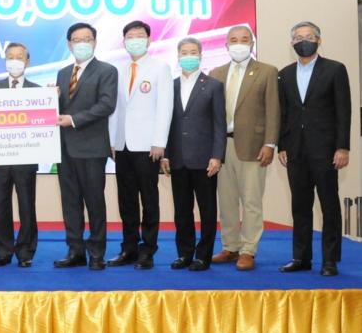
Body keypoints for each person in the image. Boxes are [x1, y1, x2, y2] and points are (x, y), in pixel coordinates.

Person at [277, 21, 351, 277]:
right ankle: (301, 258)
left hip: (326, 150)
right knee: (300, 206)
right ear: (291, 43)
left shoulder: (335, 69)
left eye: (309, 36)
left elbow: (344, 111)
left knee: (329, 206)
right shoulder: (285, 74)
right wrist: (282, 145)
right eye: (298, 37)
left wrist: (343, 147)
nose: (303, 41)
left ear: (319, 40)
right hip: (295, 151)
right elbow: (284, 113)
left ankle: (330, 260)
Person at [209, 25, 280, 271]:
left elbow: (273, 110)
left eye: (244, 39)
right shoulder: (216, 72)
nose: (238, 43)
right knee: (226, 200)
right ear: (226, 45)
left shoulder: (267, 71)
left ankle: (248, 249)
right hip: (222, 146)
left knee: (251, 201)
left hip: (253, 145)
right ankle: (230, 246)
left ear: (251, 43)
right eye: (234, 40)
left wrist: (270, 143)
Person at [108, 20, 173, 270]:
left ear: (148, 39)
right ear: (124, 41)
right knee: (126, 200)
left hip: (148, 146)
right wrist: (112, 140)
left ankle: (148, 250)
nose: (134, 40)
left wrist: (159, 142)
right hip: (122, 145)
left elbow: (165, 107)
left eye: (139, 35)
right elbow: (115, 110)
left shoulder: (160, 68)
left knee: (149, 199)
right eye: (130, 36)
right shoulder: (119, 70)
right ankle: (129, 248)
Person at [53, 23, 117, 270]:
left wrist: (73, 120)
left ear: (95, 42)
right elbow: (61, 108)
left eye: (87, 39)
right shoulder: (62, 73)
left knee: (94, 202)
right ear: (69, 44)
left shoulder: (107, 71)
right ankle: (75, 251)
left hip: (92, 148)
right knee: (70, 202)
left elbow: (106, 105)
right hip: (65, 149)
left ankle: (97, 253)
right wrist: (51, 100)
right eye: (77, 40)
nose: (82, 44)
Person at [162, 38, 225, 271]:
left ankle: (203, 256)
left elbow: (219, 124)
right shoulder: (170, 86)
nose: (188, 56)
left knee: (207, 211)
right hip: (177, 158)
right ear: (178, 56)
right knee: (182, 211)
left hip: (205, 159)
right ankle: (184, 254)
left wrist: (217, 156)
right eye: (184, 52)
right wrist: (165, 155)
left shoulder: (213, 85)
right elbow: (164, 123)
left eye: (193, 52)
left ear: (200, 55)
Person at [0, 43, 39, 268]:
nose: (15, 60)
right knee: (0, 206)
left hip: (26, 158)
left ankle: (25, 252)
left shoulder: (38, 91)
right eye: (11, 57)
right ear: (5, 61)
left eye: (20, 57)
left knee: (27, 206)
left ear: (27, 62)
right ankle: (3, 252)